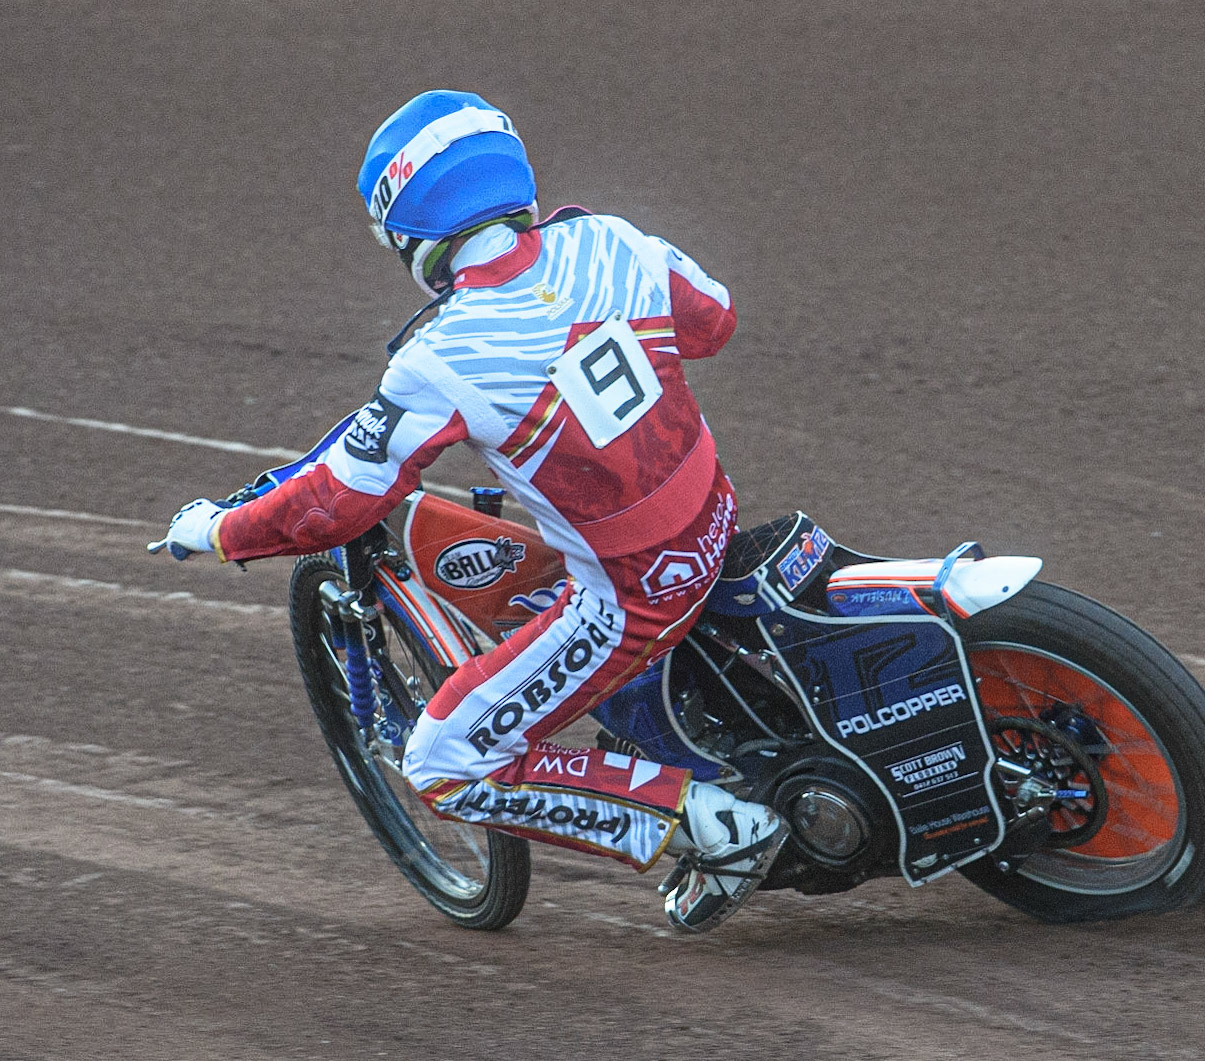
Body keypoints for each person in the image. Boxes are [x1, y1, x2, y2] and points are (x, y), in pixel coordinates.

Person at [149, 89, 787, 933]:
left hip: (634, 597)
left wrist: (219, 530)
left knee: (443, 762)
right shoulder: (610, 239)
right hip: (713, 517)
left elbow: (334, 505)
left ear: (412, 234)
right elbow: (714, 321)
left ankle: (714, 826)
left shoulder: (442, 356)